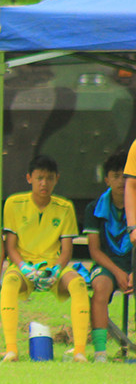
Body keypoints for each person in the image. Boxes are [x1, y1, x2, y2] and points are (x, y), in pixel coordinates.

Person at [0, 154, 88, 362]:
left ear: (57, 179)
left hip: (53, 265)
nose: (44, 183)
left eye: (49, 178)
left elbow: (67, 250)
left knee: (79, 285)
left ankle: (80, 351)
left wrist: (56, 270)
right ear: (29, 178)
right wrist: (23, 267)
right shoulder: (14, 203)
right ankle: (11, 349)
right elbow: (10, 246)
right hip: (24, 266)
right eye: (39, 178)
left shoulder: (65, 207)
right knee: (9, 283)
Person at [83, 150, 132, 363]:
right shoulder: (94, 208)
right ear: (106, 179)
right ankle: (100, 351)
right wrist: (119, 273)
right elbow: (94, 251)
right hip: (108, 264)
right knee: (101, 287)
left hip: (133, 262)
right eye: (116, 175)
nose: (121, 181)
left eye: (126, 176)